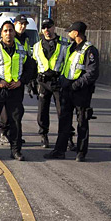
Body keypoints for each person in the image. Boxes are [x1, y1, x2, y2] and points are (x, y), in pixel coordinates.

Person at [43, 22, 98, 162]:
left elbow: (91, 73)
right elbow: (67, 67)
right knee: (64, 122)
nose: (68, 34)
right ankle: (59, 151)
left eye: (70, 32)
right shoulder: (70, 48)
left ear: (77, 33)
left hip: (81, 92)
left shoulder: (89, 50)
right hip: (66, 91)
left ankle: (81, 152)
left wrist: (75, 85)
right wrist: (61, 81)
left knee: (82, 122)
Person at [0, 21, 34, 160]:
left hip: (15, 90)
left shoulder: (22, 50)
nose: (8, 33)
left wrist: (21, 81)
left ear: (14, 32)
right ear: (1, 33)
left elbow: (31, 69)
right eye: (5, 31)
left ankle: (16, 150)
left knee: (15, 121)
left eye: (10, 30)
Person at [33, 18, 70, 149]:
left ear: (54, 27)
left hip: (58, 80)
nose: (46, 30)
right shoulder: (37, 46)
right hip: (43, 81)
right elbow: (34, 64)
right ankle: (43, 135)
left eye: (49, 27)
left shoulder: (64, 43)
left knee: (63, 110)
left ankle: (67, 137)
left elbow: (69, 63)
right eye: (44, 28)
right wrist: (32, 82)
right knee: (42, 111)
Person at [0, 14, 33, 147]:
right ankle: (3, 133)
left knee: (17, 111)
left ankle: (15, 135)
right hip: (4, 83)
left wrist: (24, 80)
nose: (23, 26)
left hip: (17, 82)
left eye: (25, 24)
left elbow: (27, 61)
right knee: (4, 112)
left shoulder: (26, 39)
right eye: (20, 24)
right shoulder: (8, 39)